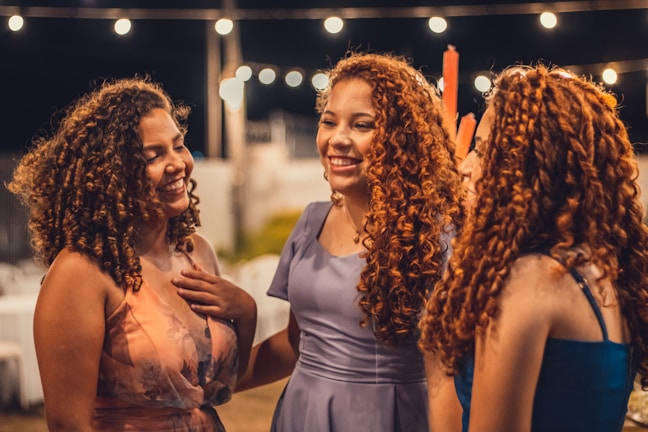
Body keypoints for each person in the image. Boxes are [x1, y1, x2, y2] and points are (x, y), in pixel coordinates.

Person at [223, 52, 463, 431]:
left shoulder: (435, 238)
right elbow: (295, 345)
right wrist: (210, 388)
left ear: (403, 139)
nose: (337, 139)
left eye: (361, 125)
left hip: (387, 418)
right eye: (329, 122)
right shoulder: (311, 221)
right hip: (302, 414)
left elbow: (452, 375)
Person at [8, 77, 257, 431]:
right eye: (153, 156)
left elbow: (222, 387)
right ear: (110, 174)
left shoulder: (196, 252)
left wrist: (247, 313)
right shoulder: (81, 272)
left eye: (178, 146)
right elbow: (68, 425)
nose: (178, 164)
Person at [419, 64, 648, 432]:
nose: (466, 167)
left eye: (482, 150)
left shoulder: (528, 281)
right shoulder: (601, 269)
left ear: (526, 166)